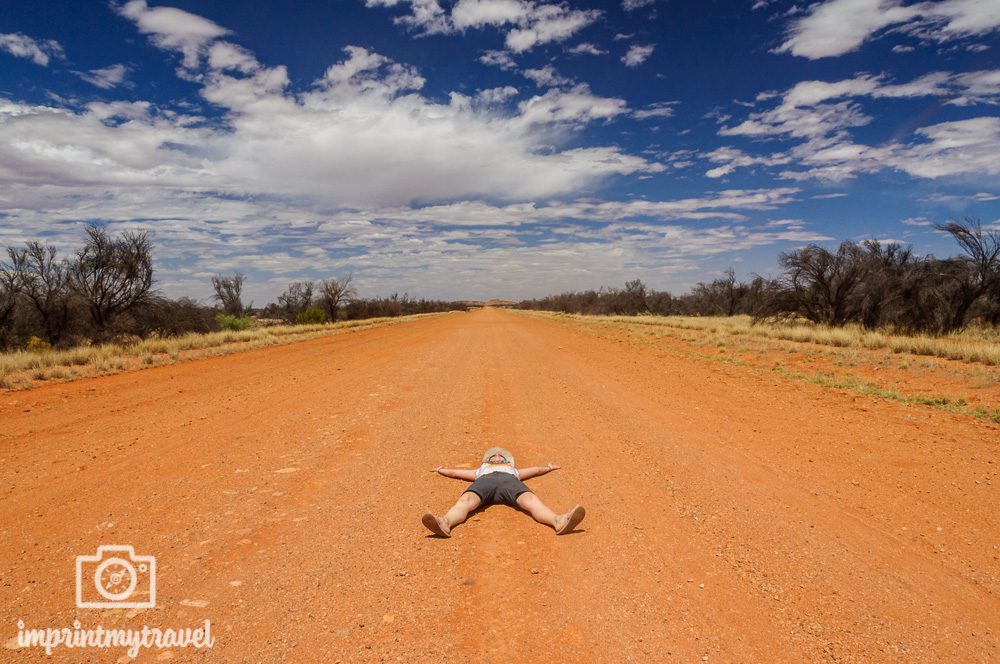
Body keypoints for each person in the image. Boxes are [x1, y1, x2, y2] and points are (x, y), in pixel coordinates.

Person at [422, 447, 586, 537]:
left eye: (501, 456)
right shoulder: (481, 470)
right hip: (484, 482)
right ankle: (445, 522)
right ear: (487, 460)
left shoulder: (513, 470)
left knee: (530, 500)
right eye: (494, 456)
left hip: (510, 482)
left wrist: (548, 468)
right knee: (466, 501)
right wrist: (441, 470)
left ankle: (558, 521)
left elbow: (535, 470)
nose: (498, 456)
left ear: (507, 461)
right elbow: (455, 473)